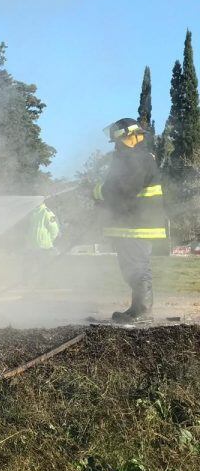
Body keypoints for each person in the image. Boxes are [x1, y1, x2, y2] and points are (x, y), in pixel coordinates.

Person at [93, 118, 166, 322]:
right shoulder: (131, 159)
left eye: (120, 141)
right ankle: (136, 309)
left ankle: (142, 311)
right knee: (131, 269)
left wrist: (97, 192)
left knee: (138, 268)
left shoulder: (139, 159)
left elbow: (123, 190)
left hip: (138, 226)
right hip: (129, 226)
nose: (117, 146)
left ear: (133, 137)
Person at [22, 202, 60, 285]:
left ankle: (45, 284)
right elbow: (26, 227)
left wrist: (49, 240)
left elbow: (54, 229)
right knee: (28, 266)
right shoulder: (31, 212)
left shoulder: (46, 212)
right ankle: (25, 283)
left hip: (44, 247)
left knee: (44, 266)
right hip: (31, 246)